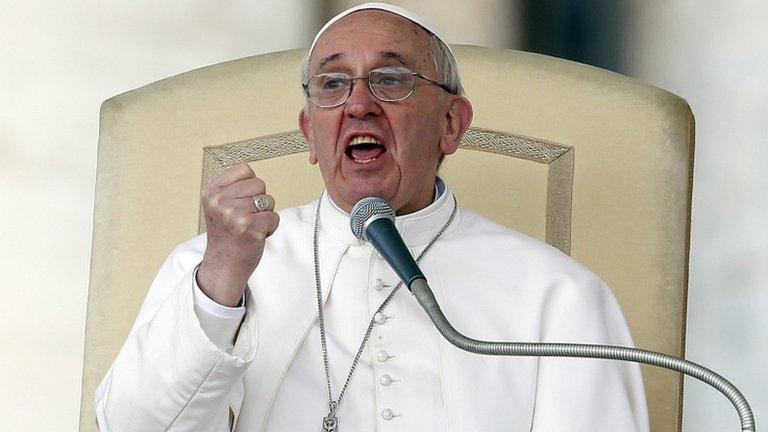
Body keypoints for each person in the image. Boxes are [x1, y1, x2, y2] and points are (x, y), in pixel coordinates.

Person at [95, 3, 649, 431]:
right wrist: (221, 281)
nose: (360, 105)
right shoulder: (213, 270)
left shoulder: (557, 295)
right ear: (310, 133)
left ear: (452, 124)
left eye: (391, 80)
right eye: (333, 85)